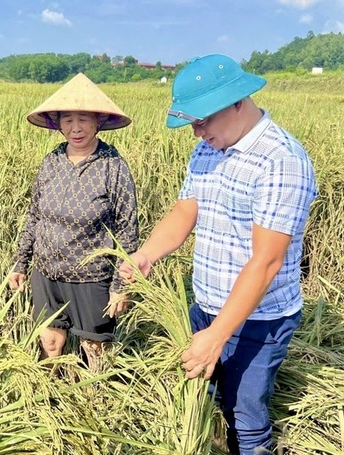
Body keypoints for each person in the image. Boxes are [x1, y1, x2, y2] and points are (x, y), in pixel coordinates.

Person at [119, 54, 317, 454]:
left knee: (245, 414)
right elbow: (185, 209)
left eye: (202, 120)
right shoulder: (209, 150)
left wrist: (217, 336)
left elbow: (266, 262)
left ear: (237, 102)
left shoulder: (281, 161)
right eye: (191, 122)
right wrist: (147, 254)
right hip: (206, 304)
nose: (196, 132)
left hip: (258, 320)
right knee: (204, 401)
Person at [8, 72, 139, 368]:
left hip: (92, 276)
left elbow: (127, 231)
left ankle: (93, 403)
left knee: (95, 348)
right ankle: (49, 399)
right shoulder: (51, 161)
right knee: (50, 341)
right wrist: (20, 263)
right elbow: (35, 215)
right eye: (67, 119)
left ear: (98, 122)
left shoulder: (113, 167)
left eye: (83, 119)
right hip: (46, 272)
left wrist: (121, 283)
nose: (75, 128)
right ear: (58, 123)